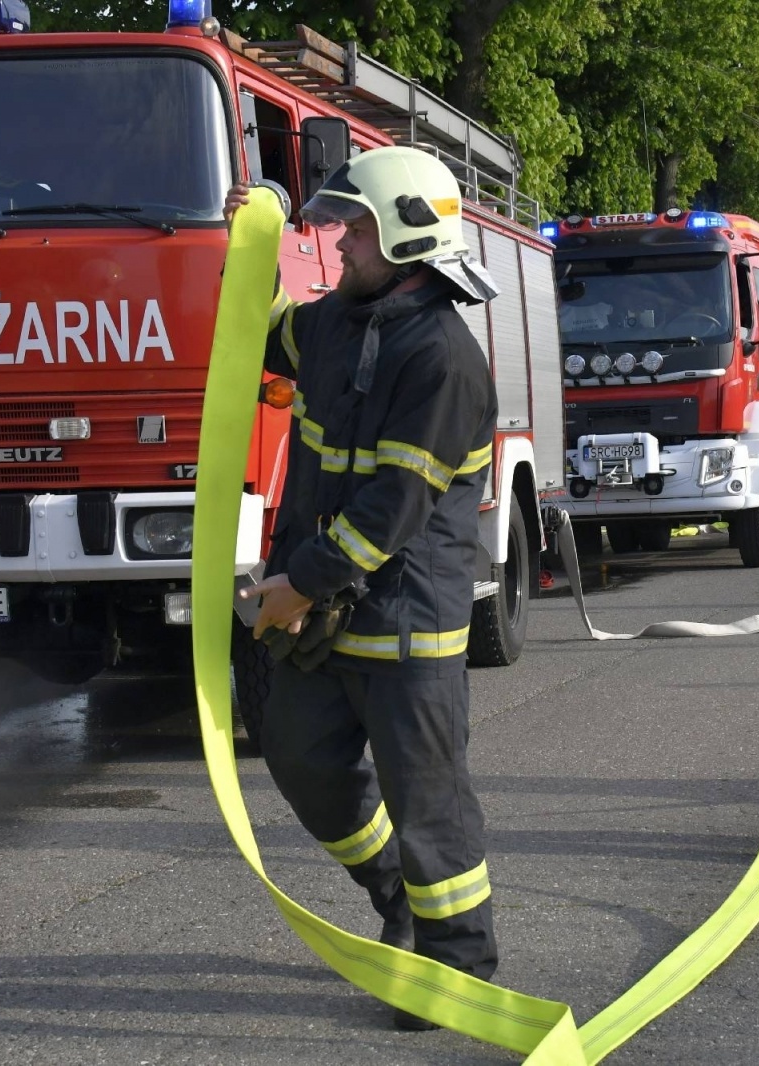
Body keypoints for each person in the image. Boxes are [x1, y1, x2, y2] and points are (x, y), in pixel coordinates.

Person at [224, 147, 500, 1029]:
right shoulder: (338, 321)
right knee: (302, 761)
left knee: (430, 804)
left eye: (356, 231)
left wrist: (296, 586)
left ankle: (460, 974)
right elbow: (261, 331)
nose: (338, 245)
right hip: (324, 610)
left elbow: (393, 508)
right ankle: (399, 902)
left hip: (406, 623)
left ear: (408, 236)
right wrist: (250, 237)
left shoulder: (447, 360)